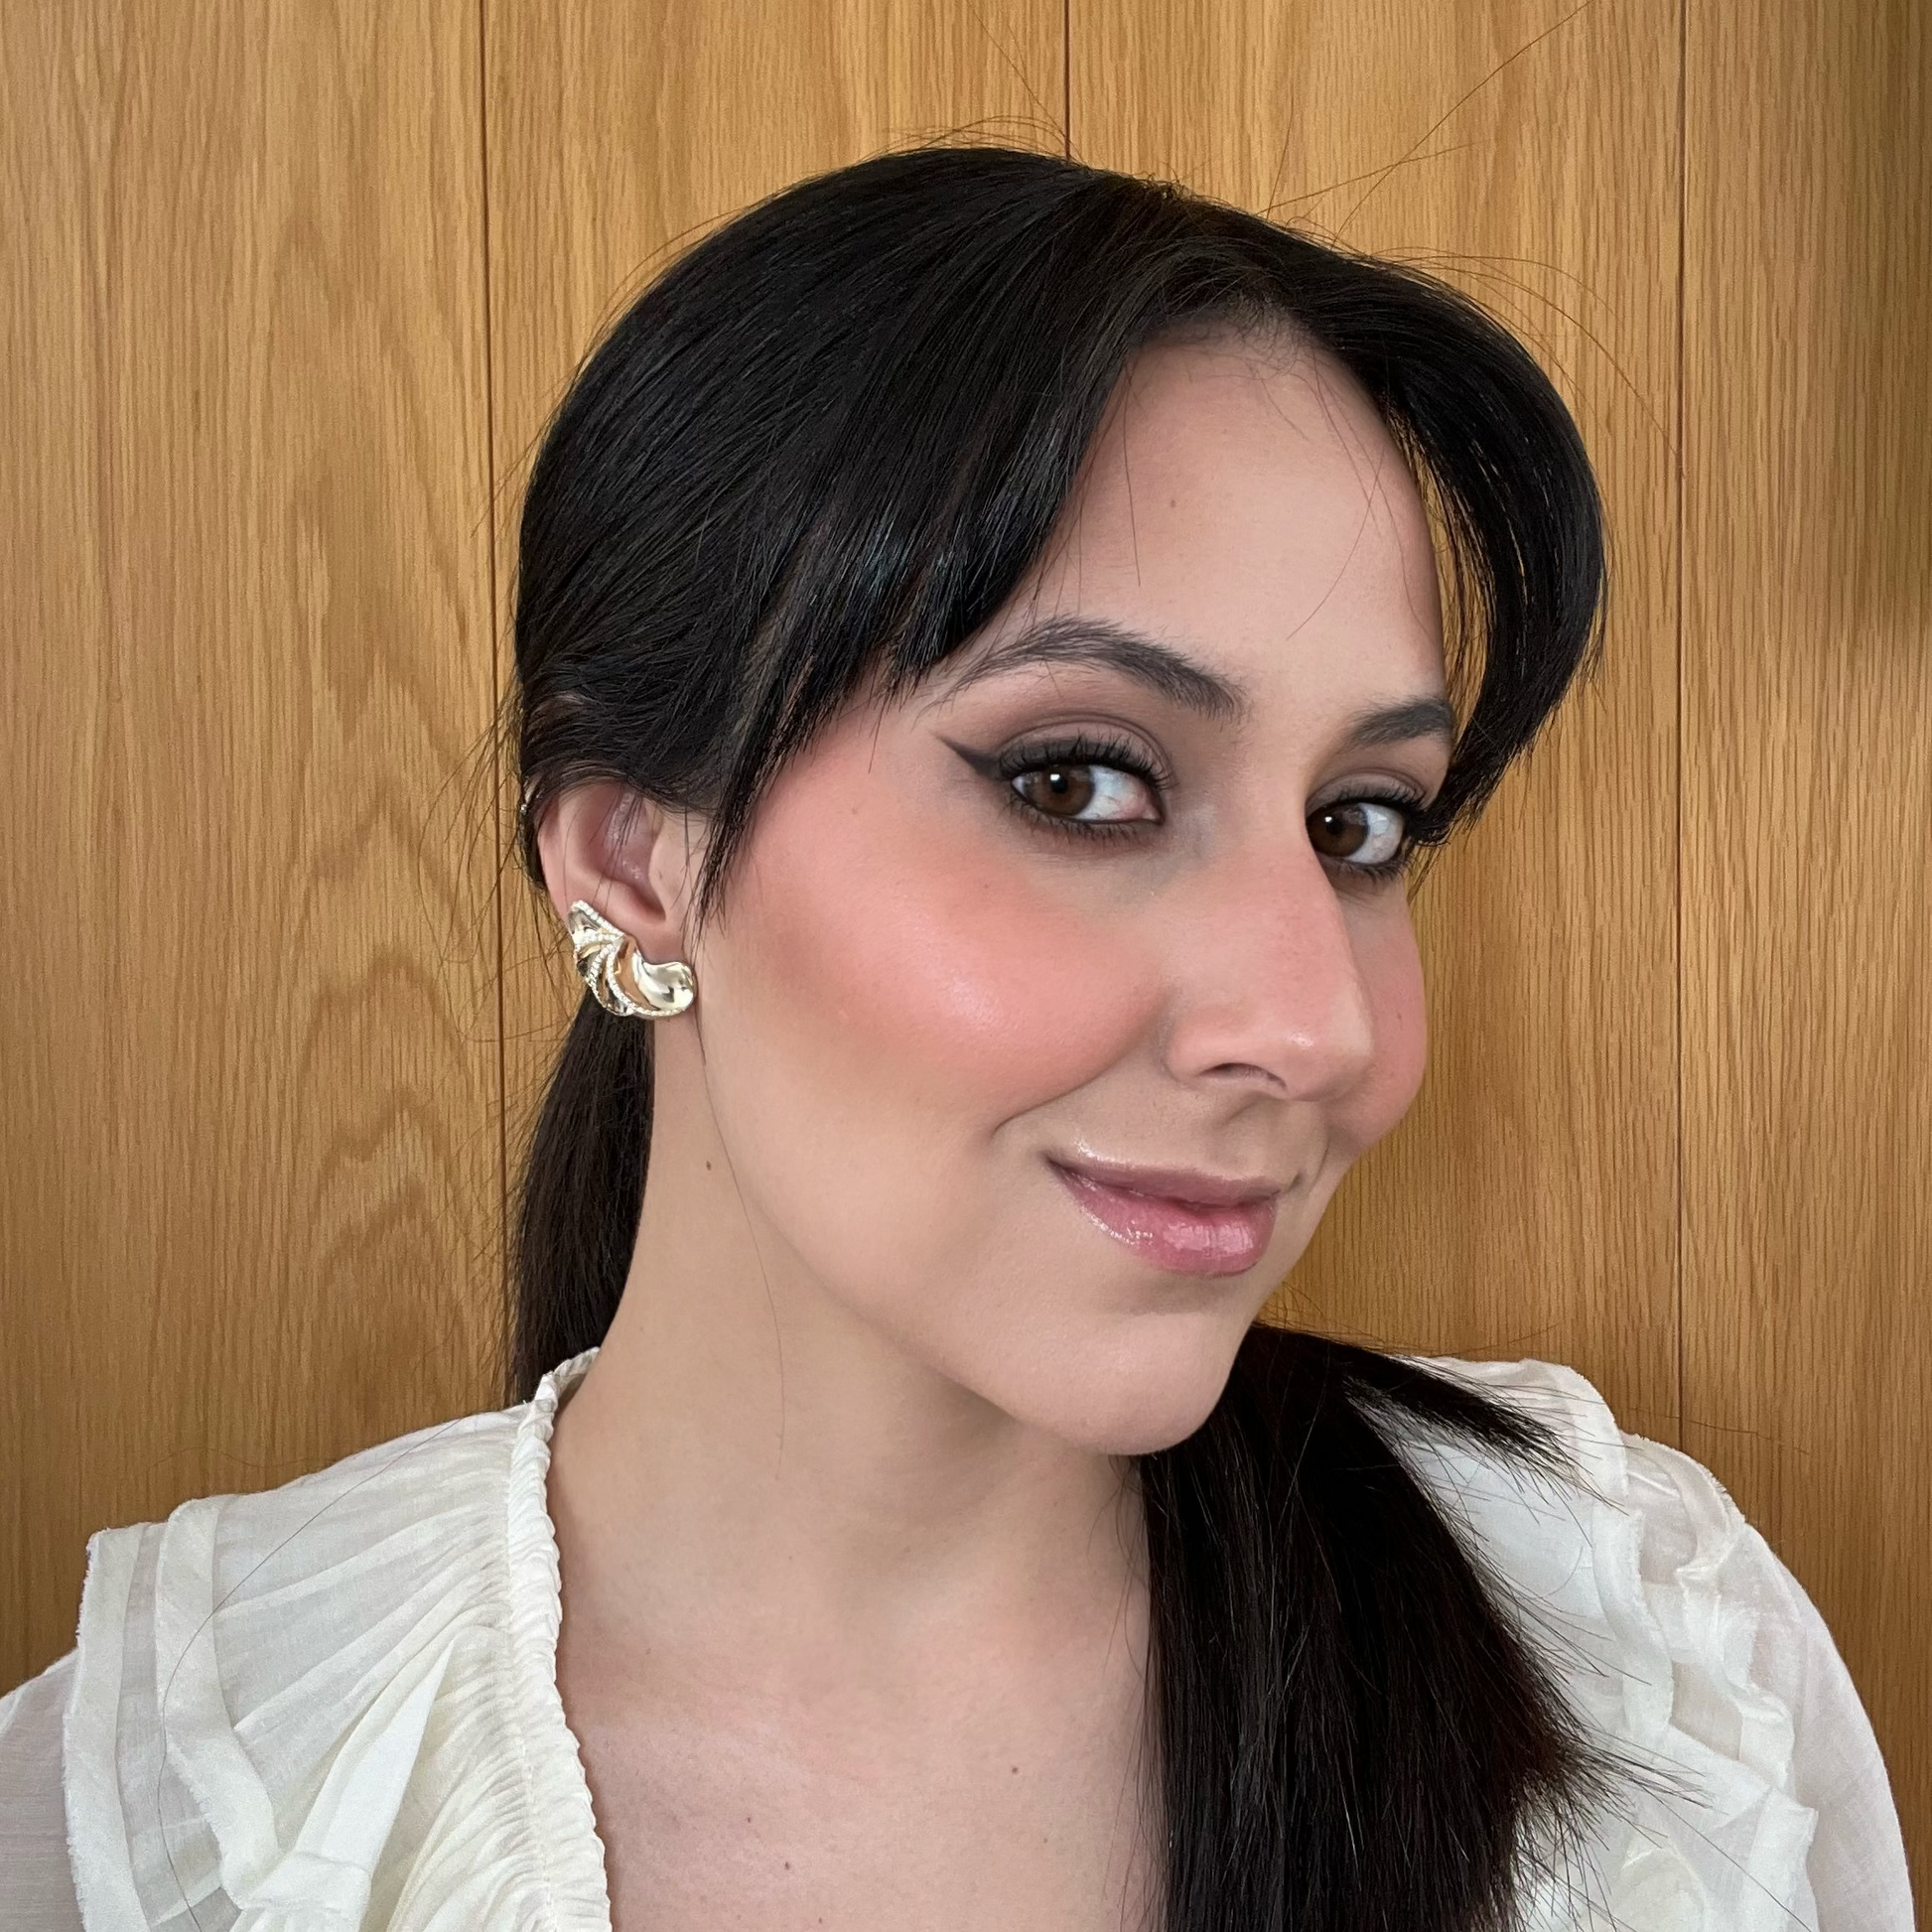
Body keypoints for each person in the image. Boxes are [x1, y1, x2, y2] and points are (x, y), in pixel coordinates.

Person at [0, 146, 1911, 1932]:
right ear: (637, 858)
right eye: (1079, 779)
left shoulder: (1652, 1665)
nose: (1314, 1025)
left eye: (1359, 824)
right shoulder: (184, 1815)